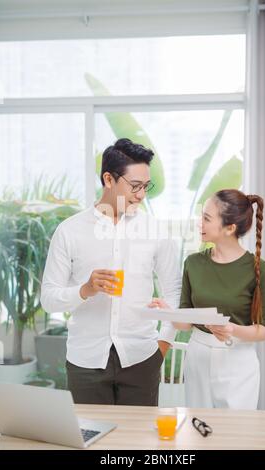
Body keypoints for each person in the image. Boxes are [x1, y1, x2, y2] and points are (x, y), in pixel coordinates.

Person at [41, 138, 181, 406]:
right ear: (108, 179)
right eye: (135, 186)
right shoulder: (70, 231)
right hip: (85, 363)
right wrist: (85, 290)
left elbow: (173, 291)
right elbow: (48, 298)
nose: (141, 195)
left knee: (139, 443)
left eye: (145, 186)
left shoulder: (156, 231)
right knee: (90, 440)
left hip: (142, 358)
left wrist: (163, 344)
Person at [150, 189, 265, 410]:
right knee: (200, 429)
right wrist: (168, 312)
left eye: (207, 218)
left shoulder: (259, 270)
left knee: (235, 436)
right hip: (197, 356)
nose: (200, 223)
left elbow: (263, 331)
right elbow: (185, 323)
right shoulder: (194, 263)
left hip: (237, 361)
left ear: (230, 228)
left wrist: (231, 329)